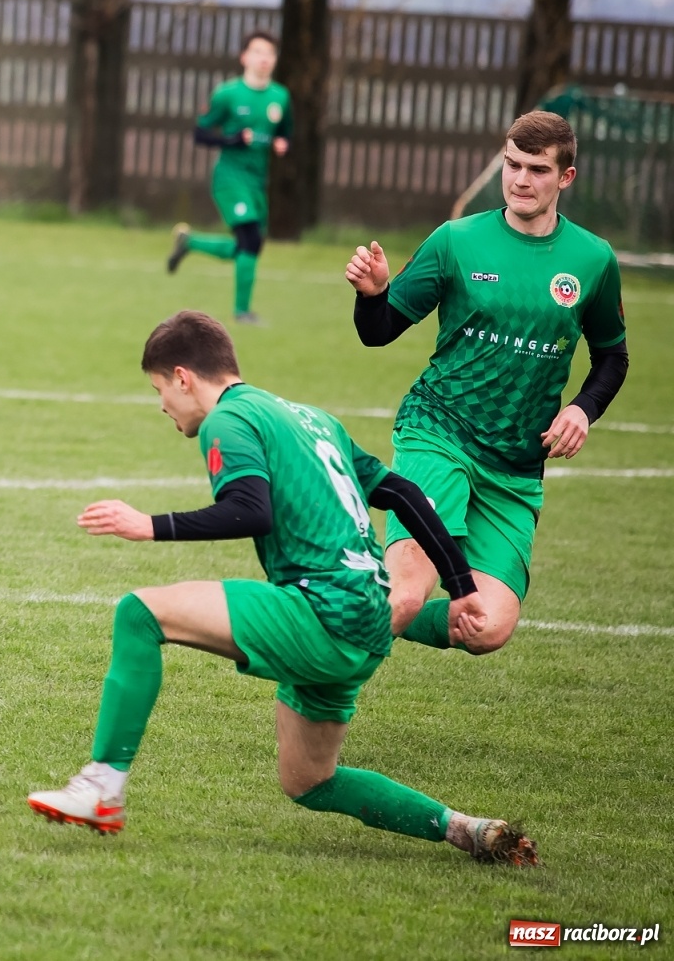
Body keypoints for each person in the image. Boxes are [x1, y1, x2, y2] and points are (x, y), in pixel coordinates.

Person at [26, 311, 538, 865]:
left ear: (183, 376)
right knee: (309, 780)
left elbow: (250, 511)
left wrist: (149, 525)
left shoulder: (229, 420)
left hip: (321, 612)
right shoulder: (313, 419)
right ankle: (467, 829)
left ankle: (101, 787)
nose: (163, 408)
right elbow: (407, 494)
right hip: (366, 624)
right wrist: (460, 585)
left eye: (159, 391)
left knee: (138, 614)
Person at [345, 110, 629, 655]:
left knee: (485, 626)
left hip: (515, 466)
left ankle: (357, 610)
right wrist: (373, 295)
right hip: (439, 433)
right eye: (512, 164)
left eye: (537, 170)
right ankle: (319, 665)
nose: (521, 180)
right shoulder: (457, 240)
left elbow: (612, 358)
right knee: (405, 597)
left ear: (565, 177)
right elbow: (377, 333)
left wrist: (582, 409)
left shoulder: (593, 260)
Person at [168, 31, 291, 325]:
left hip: (257, 181)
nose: (264, 58)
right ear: (244, 57)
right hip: (229, 178)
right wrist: (233, 139)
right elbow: (200, 133)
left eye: (270, 53)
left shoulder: (281, 97)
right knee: (249, 238)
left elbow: (286, 131)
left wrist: (282, 143)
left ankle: (190, 243)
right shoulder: (227, 94)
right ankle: (242, 312)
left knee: (248, 247)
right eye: (258, 52)